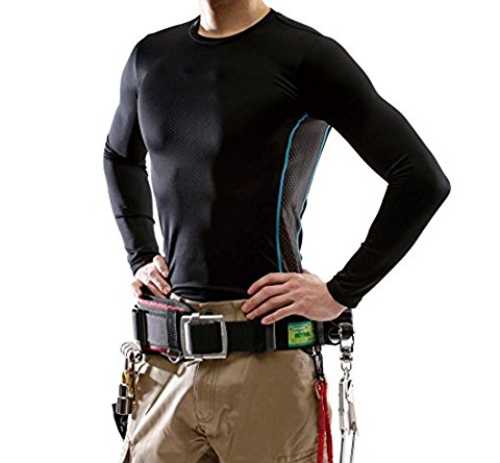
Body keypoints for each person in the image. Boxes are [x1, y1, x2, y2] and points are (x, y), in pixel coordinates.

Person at [103, 1, 450, 462]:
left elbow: (421, 180)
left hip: (266, 363)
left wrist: (342, 292)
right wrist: (141, 254)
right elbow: (120, 156)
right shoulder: (150, 58)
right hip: (165, 363)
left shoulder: (305, 56)